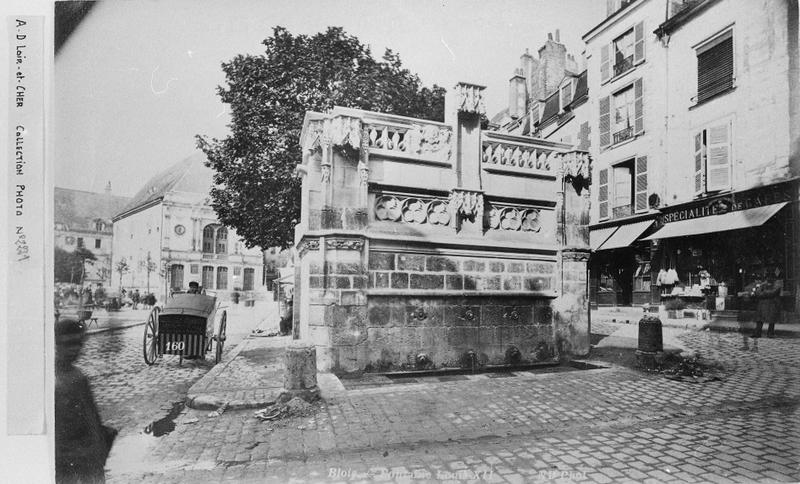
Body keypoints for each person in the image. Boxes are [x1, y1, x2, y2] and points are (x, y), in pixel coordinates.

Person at [55, 319, 117, 483]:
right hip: (67, 461)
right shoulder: (54, 380)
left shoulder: (78, 377)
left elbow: (92, 419)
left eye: (78, 344)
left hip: (85, 460)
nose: (74, 349)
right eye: (67, 344)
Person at [752, 270, 782, 338]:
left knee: (771, 319)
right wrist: (764, 291)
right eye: (767, 277)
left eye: (771, 277)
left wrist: (764, 293)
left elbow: (773, 292)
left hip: (772, 304)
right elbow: (757, 293)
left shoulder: (777, 284)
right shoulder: (763, 284)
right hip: (762, 304)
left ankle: (770, 333)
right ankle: (757, 333)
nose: (769, 278)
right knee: (759, 319)